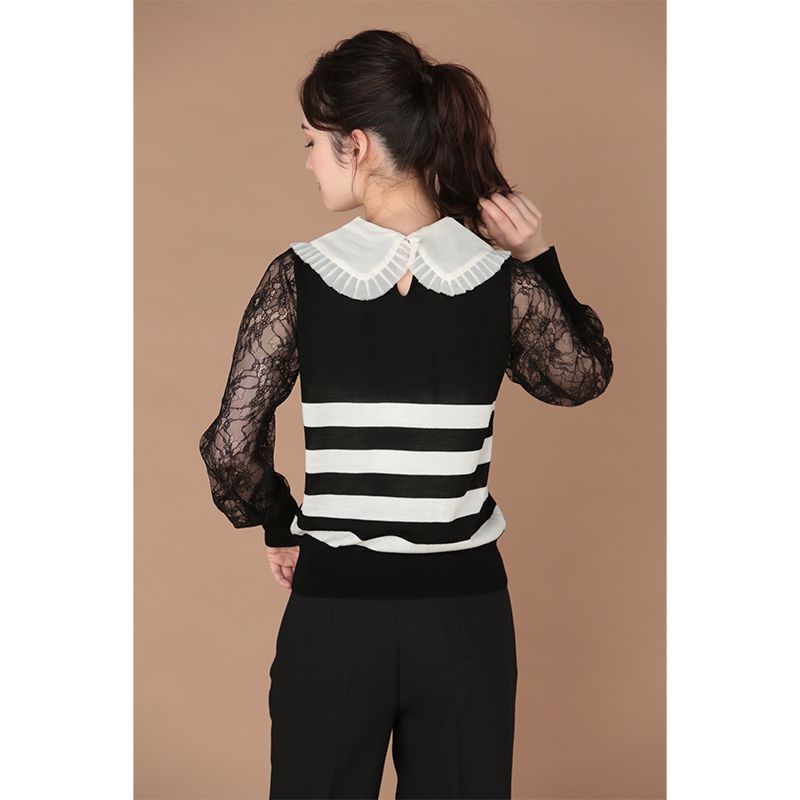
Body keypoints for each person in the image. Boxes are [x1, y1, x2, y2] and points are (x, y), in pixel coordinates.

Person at [198, 28, 613, 800]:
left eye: (312, 143)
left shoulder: (299, 277)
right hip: (466, 618)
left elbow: (231, 445)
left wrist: (282, 524)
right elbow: (580, 377)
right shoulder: (500, 279)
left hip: (335, 616)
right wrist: (536, 254)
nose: (309, 161)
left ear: (356, 145)